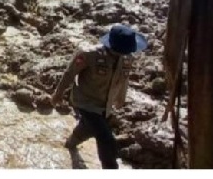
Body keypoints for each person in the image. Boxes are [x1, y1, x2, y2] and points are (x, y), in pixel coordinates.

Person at [49, 24, 148, 169]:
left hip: (104, 105)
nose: (126, 54)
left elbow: (124, 80)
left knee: (90, 128)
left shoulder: (127, 59)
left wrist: (121, 99)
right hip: (85, 102)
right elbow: (70, 73)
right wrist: (58, 94)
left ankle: (71, 143)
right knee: (106, 139)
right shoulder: (88, 54)